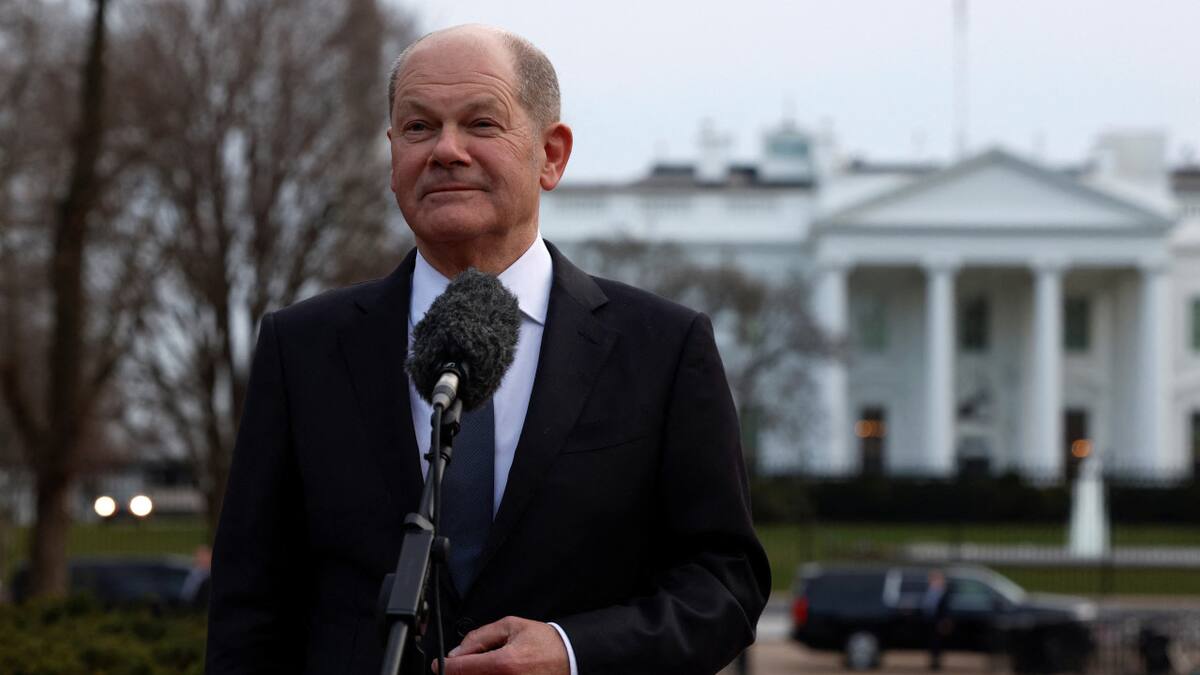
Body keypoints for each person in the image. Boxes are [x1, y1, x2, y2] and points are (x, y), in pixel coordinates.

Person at [205, 24, 770, 675]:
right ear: (393, 157)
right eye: (418, 128)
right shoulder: (300, 348)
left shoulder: (664, 349)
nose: (446, 150)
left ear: (550, 154)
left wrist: (572, 649)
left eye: (480, 123)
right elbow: (250, 606)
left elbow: (724, 583)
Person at [922, 570, 953, 671]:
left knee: (938, 643)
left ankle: (936, 663)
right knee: (931, 642)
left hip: (939, 622)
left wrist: (944, 621)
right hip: (929, 621)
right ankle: (933, 662)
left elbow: (945, 609)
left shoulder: (944, 592)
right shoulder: (928, 591)